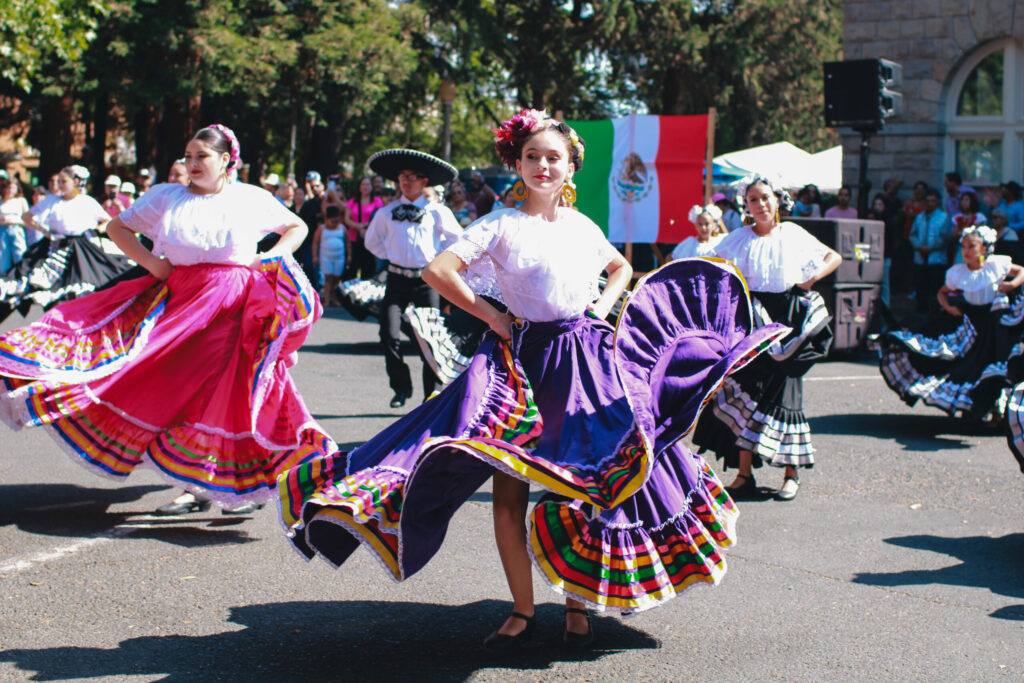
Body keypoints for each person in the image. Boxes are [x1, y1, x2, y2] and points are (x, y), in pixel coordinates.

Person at [278, 109, 785, 649]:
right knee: (508, 493)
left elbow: (618, 269)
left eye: (554, 158)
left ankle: (577, 604)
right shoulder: (498, 223)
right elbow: (438, 273)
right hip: (521, 365)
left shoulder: (582, 226)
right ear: (517, 163)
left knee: (593, 484)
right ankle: (522, 609)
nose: (543, 166)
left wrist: (600, 310)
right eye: (533, 157)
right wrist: (493, 316)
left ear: (571, 168)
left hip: (586, 361)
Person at [0, 124, 333, 516]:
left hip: (232, 303)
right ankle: (203, 482)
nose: (191, 163)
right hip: (179, 298)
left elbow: (296, 226)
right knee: (151, 375)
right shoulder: (166, 197)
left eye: (201, 156)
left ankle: (210, 485)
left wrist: (269, 258)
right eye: (188, 156)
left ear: (226, 160)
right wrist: (153, 264)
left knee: (223, 390)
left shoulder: (250, 198)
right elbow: (117, 227)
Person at [693, 174, 842, 502]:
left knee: (787, 394)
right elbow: (710, 267)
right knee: (748, 389)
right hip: (751, 319)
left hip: (786, 320)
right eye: (752, 200)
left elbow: (834, 257)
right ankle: (744, 474)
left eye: (765, 198)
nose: (759, 205)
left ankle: (791, 473)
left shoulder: (792, 233)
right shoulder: (738, 239)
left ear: (778, 200)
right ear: (745, 206)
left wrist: (811, 278)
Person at [874, 225, 1024, 423]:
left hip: (995, 322)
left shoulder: (996, 264)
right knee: (966, 367)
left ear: (984, 248)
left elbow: (1021, 270)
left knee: (997, 364)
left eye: (971, 246)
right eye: (963, 247)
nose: (966, 251)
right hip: (972, 324)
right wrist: (950, 308)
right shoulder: (958, 272)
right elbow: (942, 292)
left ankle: (997, 410)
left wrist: (1013, 284)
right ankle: (974, 406)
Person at [363, 148, 463, 408]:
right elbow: (372, 243)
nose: (406, 181)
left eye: (413, 176)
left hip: (426, 282)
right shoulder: (386, 213)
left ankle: (431, 395)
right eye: (402, 176)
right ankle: (400, 387)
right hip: (396, 279)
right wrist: (393, 255)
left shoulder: (437, 211)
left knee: (429, 340)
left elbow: (457, 240)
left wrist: (438, 261)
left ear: (424, 181)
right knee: (388, 333)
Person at [0, 165, 134, 322]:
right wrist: (44, 231)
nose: (60, 185)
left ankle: (75, 323)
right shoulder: (51, 200)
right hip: (52, 246)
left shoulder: (86, 201)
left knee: (79, 287)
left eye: (64, 181)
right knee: (30, 284)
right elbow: (27, 217)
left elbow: (106, 221)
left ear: (75, 182)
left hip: (79, 248)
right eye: (58, 181)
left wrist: (93, 230)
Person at [908, 188, 953, 313]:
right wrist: (919, 246)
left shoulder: (943, 217)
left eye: (933, 201)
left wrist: (930, 248)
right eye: (927, 201)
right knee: (921, 290)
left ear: (937, 202)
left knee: (935, 292)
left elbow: (944, 238)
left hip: (936, 260)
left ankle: (934, 316)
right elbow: (912, 234)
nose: (930, 204)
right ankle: (920, 316)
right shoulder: (919, 218)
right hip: (920, 260)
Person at [344, 176, 384, 279]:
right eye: (363, 184)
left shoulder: (377, 201)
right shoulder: (352, 201)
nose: (366, 187)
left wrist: (367, 229)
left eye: (368, 184)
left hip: (371, 238)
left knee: (368, 268)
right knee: (353, 267)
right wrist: (358, 227)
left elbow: (380, 218)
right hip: (354, 239)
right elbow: (346, 219)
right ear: (359, 187)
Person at [312, 204, 347, 306]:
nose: (334, 223)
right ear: (326, 219)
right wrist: (315, 256)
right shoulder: (321, 229)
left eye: (337, 221)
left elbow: (347, 242)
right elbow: (315, 242)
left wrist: (349, 256)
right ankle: (327, 300)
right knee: (328, 278)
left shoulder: (342, 228)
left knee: (336, 279)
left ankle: (335, 299)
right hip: (325, 257)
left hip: (339, 257)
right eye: (332, 221)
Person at [0, 176, 29, 271]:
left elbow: (28, 220)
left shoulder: (21, 201)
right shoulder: (1, 201)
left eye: (13, 188)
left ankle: (21, 276)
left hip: (16, 230)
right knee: (3, 258)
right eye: (9, 188)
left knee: (20, 255)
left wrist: (15, 220)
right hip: (2, 231)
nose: (11, 191)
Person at [950, 190, 983, 263]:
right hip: (960, 249)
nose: (964, 203)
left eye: (966, 200)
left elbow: (975, 233)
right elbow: (954, 236)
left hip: (975, 249)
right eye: (962, 200)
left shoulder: (979, 217)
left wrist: (961, 233)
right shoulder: (957, 217)